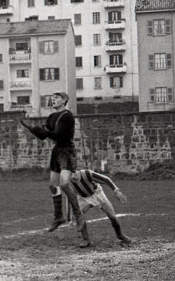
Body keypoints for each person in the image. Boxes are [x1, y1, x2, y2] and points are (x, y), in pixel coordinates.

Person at [21, 91, 90, 247]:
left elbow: (59, 136)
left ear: (64, 100)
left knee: (64, 183)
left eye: (57, 98)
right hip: (57, 152)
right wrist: (33, 129)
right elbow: (44, 135)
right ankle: (59, 216)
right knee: (53, 185)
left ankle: (78, 214)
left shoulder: (67, 116)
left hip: (67, 152)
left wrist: (45, 132)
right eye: (52, 98)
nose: (53, 100)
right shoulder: (51, 117)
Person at [69, 168, 132, 248]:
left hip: (97, 194)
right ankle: (86, 239)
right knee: (79, 214)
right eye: (70, 174)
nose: (73, 176)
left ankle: (120, 235)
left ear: (78, 171)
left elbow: (105, 179)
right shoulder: (67, 181)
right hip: (83, 198)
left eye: (74, 173)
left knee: (112, 217)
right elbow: (70, 198)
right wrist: (71, 215)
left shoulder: (87, 173)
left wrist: (116, 191)